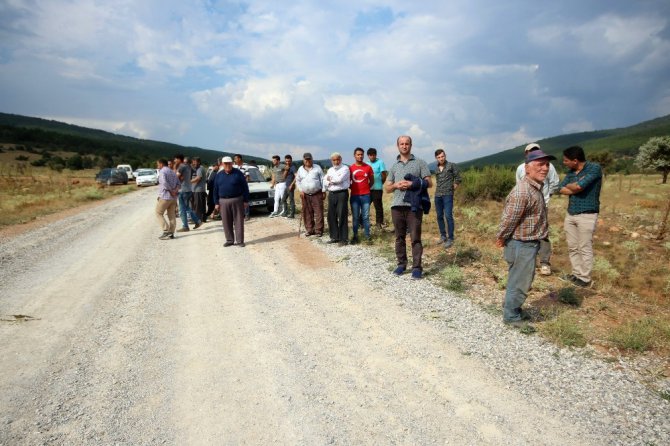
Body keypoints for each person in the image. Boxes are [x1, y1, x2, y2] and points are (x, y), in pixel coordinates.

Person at [496, 149, 556, 327]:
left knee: (520, 279)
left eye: (547, 164)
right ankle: (511, 316)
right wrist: (501, 238)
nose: (545, 168)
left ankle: (513, 308)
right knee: (520, 281)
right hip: (521, 245)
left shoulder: (536, 187)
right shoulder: (523, 191)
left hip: (528, 244)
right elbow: (509, 219)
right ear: (527, 168)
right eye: (540, 164)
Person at [384, 136, 432, 279]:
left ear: (411, 145)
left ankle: (417, 267)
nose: (404, 146)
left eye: (407, 144)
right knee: (399, 238)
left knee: (415, 238)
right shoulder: (394, 166)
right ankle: (401, 264)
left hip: (414, 206)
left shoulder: (420, 163)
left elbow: (429, 183)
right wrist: (395, 185)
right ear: (397, 146)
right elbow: (387, 188)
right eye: (401, 144)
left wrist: (413, 184)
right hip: (397, 206)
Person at [558, 145, 603, 287]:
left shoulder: (594, 168)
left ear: (575, 160)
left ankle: (585, 278)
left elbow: (579, 186)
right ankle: (576, 274)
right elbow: (561, 188)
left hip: (587, 214)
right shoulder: (571, 171)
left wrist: (575, 187)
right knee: (572, 246)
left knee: (584, 246)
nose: (564, 163)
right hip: (571, 213)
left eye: (566, 160)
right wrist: (575, 187)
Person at [515, 143, 559, 275]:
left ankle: (545, 263)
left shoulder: (548, 166)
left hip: (542, 204)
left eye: (536, 150)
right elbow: (519, 185)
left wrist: (546, 196)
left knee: (542, 233)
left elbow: (555, 183)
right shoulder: (520, 168)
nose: (533, 153)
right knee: (525, 231)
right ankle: (528, 261)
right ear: (526, 153)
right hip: (525, 204)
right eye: (531, 151)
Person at [212, 157, 250, 247]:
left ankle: (240, 241)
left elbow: (245, 188)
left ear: (232, 163)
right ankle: (229, 240)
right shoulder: (219, 175)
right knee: (226, 221)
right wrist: (216, 202)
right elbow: (215, 190)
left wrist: (245, 200)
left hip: (237, 200)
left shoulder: (238, 173)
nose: (227, 165)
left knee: (238, 221)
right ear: (222, 164)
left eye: (229, 163)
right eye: (225, 163)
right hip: (223, 201)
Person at [433, 148, 461, 249]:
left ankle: (451, 238)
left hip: (448, 195)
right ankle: (443, 236)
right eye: (439, 157)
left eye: (443, 156)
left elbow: (458, 178)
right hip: (438, 195)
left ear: (445, 156)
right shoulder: (436, 168)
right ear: (436, 158)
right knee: (439, 216)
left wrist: (454, 187)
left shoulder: (451, 165)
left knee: (448, 215)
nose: (441, 158)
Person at [296, 152, 326, 237]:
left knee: (319, 212)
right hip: (305, 194)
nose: (308, 161)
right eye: (306, 159)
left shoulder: (317, 168)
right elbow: (298, 180)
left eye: (309, 159)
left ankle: (319, 230)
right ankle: (309, 230)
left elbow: (323, 179)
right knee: (307, 212)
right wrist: (300, 190)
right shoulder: (300, 169)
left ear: (312, 159)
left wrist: (323, 191)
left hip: (317, 193)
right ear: (303, 160)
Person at [325, 152, 350, 245]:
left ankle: (344, 239)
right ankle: (334, 237)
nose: (336, 162)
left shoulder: (345, 168)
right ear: (331, 160)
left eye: (338, 159)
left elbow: (339, 180)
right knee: (331, 216)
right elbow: (324, 181)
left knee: (342, 215)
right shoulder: (330, 169)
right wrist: (330, 181)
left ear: (341, 159)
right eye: (334, 160)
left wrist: (330, 179)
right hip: (331, 193)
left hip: (341, 193)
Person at [349, 147, 374, 243]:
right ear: (354, 156)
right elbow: (348, 182)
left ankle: (367, 236)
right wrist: (354, 188)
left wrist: (366, 188)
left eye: (361, 154)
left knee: (365, 216)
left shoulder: (368, 167)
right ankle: (355, 236)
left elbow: (371, 181)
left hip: (366, 196)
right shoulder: (351, 168)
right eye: (358, 154)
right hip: (354, 196)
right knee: (355, 217)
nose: (360, 156)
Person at [174, 154, 202, 232]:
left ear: (179, 159)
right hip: (188, 189)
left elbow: (175, 177)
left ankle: (187, 226)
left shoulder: (181, 166)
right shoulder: (189, 167)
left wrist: (175, 168)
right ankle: (195, 222)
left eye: (175, 159)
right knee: (186, 208)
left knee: (183, 209)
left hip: (182, 190)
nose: (174, 161)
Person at [155, 158, 180, 240]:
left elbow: (164, 182)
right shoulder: (172, 172)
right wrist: (175, 191)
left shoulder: (162, 171)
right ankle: (171, 233)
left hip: (165, 196)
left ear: (161, 164)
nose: (157, 166)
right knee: (172, 215)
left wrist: (170, 190)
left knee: (158, 213)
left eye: (158, 164)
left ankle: (166, 230)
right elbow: (178, 184)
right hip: (173, 198)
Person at [366, 148, 387, 229]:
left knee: (378, 206)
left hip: (377, 188)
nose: (372, 156)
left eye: (373, 155)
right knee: (366, 205)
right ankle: (363, 222)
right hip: (367, 189)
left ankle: (379, 223)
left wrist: (381, 183)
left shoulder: (380, 162)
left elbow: (383, 174)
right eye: (370, 155)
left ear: (376, 155)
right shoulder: (366, 164)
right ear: (368, 156)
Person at [233, 154, 251, 221]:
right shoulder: (234, 166)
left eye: (235, 158)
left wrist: (245, 184)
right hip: (235, 186)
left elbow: (247, 176)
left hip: (242, 185)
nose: (234, 160)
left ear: (239, 159)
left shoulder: (245, 166)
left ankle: (247, 215)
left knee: (245, 200)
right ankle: (238, 215)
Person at [191, 157, 207, 223]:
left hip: (198, 190)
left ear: (199, 162)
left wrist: (189, 181)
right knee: (202, 205)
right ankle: (203, 219)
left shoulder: (199, 169)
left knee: (197, 206)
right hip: (200, 190)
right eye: (193, 162)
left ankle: (198, 220)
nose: (193, 163)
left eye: (195, 162)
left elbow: (198, 178)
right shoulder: (201, 168)